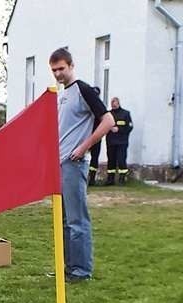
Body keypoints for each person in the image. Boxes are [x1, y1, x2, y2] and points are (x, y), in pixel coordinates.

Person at [49, 48, 115, 282]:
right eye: (54, 70)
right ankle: (68, 268)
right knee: (64, 219)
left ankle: (81, 271)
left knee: (77, 220)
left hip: (74, 164)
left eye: (61, 69)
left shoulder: (83, 90)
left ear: (71, 65)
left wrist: (83, 146)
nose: (58, 74)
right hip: (59, 163)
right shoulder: (63, 94)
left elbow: (108, 121)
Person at [105, 97, 133, 186]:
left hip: (122, 141)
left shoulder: (125, 114)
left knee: (121, 160)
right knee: (111, 160)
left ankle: (122, 179)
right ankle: (110, 179)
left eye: (115, 103)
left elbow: (130, 127)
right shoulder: (108, 114)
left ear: (118, 103)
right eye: (112, 103)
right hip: (111, 141)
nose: (113, 105)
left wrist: (119, 129)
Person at [87, 87, 102, 186]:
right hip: (85, 136)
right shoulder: (86, 106)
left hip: (96, 136)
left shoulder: (99, 108)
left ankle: (92, 178)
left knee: (94, 157)